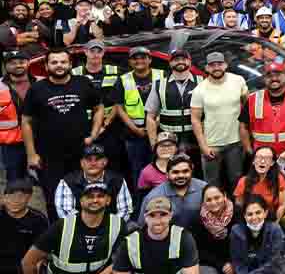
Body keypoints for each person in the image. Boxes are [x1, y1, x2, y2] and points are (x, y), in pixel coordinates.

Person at [23, 49, 103, 218]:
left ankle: (82, 231)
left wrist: (94, 134)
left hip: (81, 153)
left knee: (84, 195)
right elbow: (26, 121)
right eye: (54, 62)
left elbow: (99, 108)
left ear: (70, 64)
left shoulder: (83, 83)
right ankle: (58, 234)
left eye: (63, 62)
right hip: (48, 155)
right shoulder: (37, 89)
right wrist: (31, 154)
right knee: (54, 199)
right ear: (46, 66)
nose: (59, 66)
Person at [191, 51, 248, 193]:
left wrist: (247, 138)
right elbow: (195, 119)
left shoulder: (238, 81)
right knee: (212, 185)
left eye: (219, 64)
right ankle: (214, 214)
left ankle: (237, 212)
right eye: (212, 65)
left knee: (236, 182)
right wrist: (203, 146)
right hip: (212, 145)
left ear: (225, 65)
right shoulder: (200, 89)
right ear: (207, 68)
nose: (216, 67)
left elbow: (247, 108)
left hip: (235, 143)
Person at [114, 47, 166, 187]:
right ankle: (140, 203)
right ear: (130, 62)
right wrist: (133, 128)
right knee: (138, 172)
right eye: (135, 58)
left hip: (159, 132)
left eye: (143, 57)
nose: (139, 61)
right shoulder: (123, 79)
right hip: (134, 135)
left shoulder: (162, 75)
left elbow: (167, 101)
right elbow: (119, 107)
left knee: (163, 169)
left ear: (149, 60)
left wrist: (154, 124)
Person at [193, 184, 238, 274]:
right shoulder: (198, 219)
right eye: (209, 199)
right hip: (210, 265)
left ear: (225, 196)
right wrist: (222, 265)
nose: (213, 202)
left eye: (217, 197)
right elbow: (198, 250)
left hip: (233, 264)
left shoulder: (238, 213)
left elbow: (244, 245)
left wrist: (233, 264)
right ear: (203, 202)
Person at [145, 48, 201, 163]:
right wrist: (154, 143)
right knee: (170, 171)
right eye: (176, 59)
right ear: (170, 63)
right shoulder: (159, 85)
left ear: (190, 62)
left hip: (195, 139)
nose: (180, 61)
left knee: (196, 171)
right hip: (169, 140)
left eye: (183, 59)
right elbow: (150, 117)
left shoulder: (202, 82)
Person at [54, 143, 133, 220]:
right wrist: (89, 227)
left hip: (111, 229)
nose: (93, 163)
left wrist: (107, 227)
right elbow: (65, 212)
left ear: (105, 162)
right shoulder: (68, 181)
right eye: (88, 159)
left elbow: (125, 211)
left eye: (97, 159)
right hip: (78, 230)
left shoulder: (117, 181)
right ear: (82, 163)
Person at [0, 179, 47, 274]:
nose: (15, 201)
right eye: (10, 197)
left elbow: (42, 251)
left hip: (26, 261)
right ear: (4, 198)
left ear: (29, 197)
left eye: (21, 197)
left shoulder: (38, 219)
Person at [141, 154, 209, 230]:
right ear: (167, 175)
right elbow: (143, 227)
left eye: (185, 171)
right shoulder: (153, 197)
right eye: (175, 172)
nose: (181, 175)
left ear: (191, 172)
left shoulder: (204, 189)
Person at [0, 51, 35, 182]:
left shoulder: (41, 82)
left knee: (44, 180)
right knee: (15, 184)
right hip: (12, 144)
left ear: (28, 63)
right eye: (12, 63)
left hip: (39, 139)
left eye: (21, 62)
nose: (18, 65)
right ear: (5, 66)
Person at [233, 146, 285, 222]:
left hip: (271, 220)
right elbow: (239, 207)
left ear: (272, 163)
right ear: (253, 161)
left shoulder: (279, 179)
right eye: (259, 157)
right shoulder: (243, 181)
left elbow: (282, 205)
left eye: (267, 158)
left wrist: (275, 224)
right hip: (249, 220)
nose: (262, 161)